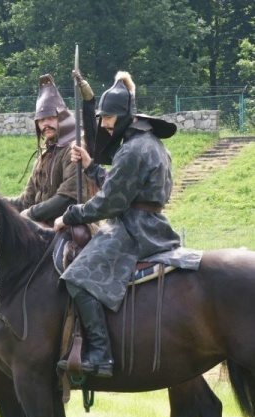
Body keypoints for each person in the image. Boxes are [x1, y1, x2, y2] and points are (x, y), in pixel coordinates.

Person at [54, 71, 196, 377]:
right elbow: (122, 188)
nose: (104, 125)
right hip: (149, 221)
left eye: (107, 118)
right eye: (102, 118)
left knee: (76, 278)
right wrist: (92, 167)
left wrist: (71, 214)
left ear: (122, 117)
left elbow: (109, 203)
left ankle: (101, 355)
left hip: (132, 229)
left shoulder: (132, 150)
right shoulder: (149, 143)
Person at [9, 74, 96, 226]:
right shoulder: (44, 155)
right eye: (41, 120)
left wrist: (32, 213)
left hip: (73, 226)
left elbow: (69, 197)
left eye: (50, 118)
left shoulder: (74, 149)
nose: (45, 124)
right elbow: (27, 200)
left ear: (61, 117)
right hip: (44, 226)